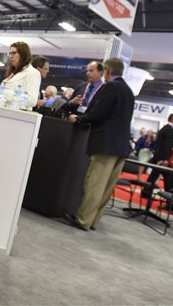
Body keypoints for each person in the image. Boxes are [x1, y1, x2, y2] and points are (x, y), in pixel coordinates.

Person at [64, 58, 135, 231]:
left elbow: (98, 113)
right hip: (121, 146)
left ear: (107, 71)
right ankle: (93, 220)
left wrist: (78, 118)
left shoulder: (111, 87)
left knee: (95, 182)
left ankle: (83, 219)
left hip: (105, 143)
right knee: (107, 186)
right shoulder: (128, 91)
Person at [146, 114, 173, 193]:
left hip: (160, 157)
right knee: (168, 178)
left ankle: (146, 192)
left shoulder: (166, 128)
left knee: (154, 176)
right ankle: (169, 199)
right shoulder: (169, 130)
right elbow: (166, 146)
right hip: (163, 159)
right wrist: (165, 159)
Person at [3, 41, 41, 110]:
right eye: (9, 53)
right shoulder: (13, 72)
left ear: (23, 54)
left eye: (14, 53)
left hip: (18, 116)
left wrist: (6, 94)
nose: (10, 56)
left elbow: (32, 100)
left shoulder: (33, 73)